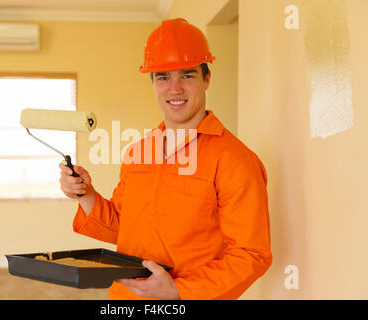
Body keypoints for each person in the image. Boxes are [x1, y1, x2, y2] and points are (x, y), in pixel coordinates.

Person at [59, 18, 272, 300]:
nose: (175, 88)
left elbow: (251, 254)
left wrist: (178, 291)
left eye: (187, 75)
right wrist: (85, 194)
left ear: (207, 79)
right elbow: (127, 229)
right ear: (153, 83)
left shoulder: (234, 159)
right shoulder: (139, 152)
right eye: (163, 77)